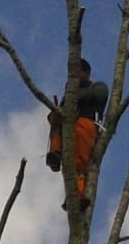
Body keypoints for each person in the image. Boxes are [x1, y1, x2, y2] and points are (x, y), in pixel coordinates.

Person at [46, 58, 108, 200]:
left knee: (78, 165)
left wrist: (74, 97)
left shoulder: (96, 86)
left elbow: (100, 95)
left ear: (85, 72)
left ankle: (78, 197)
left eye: (77, 71)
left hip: (85, 124)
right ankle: (55, 153)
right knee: (70, 165)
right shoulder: (67, 95)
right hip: (68, 127)